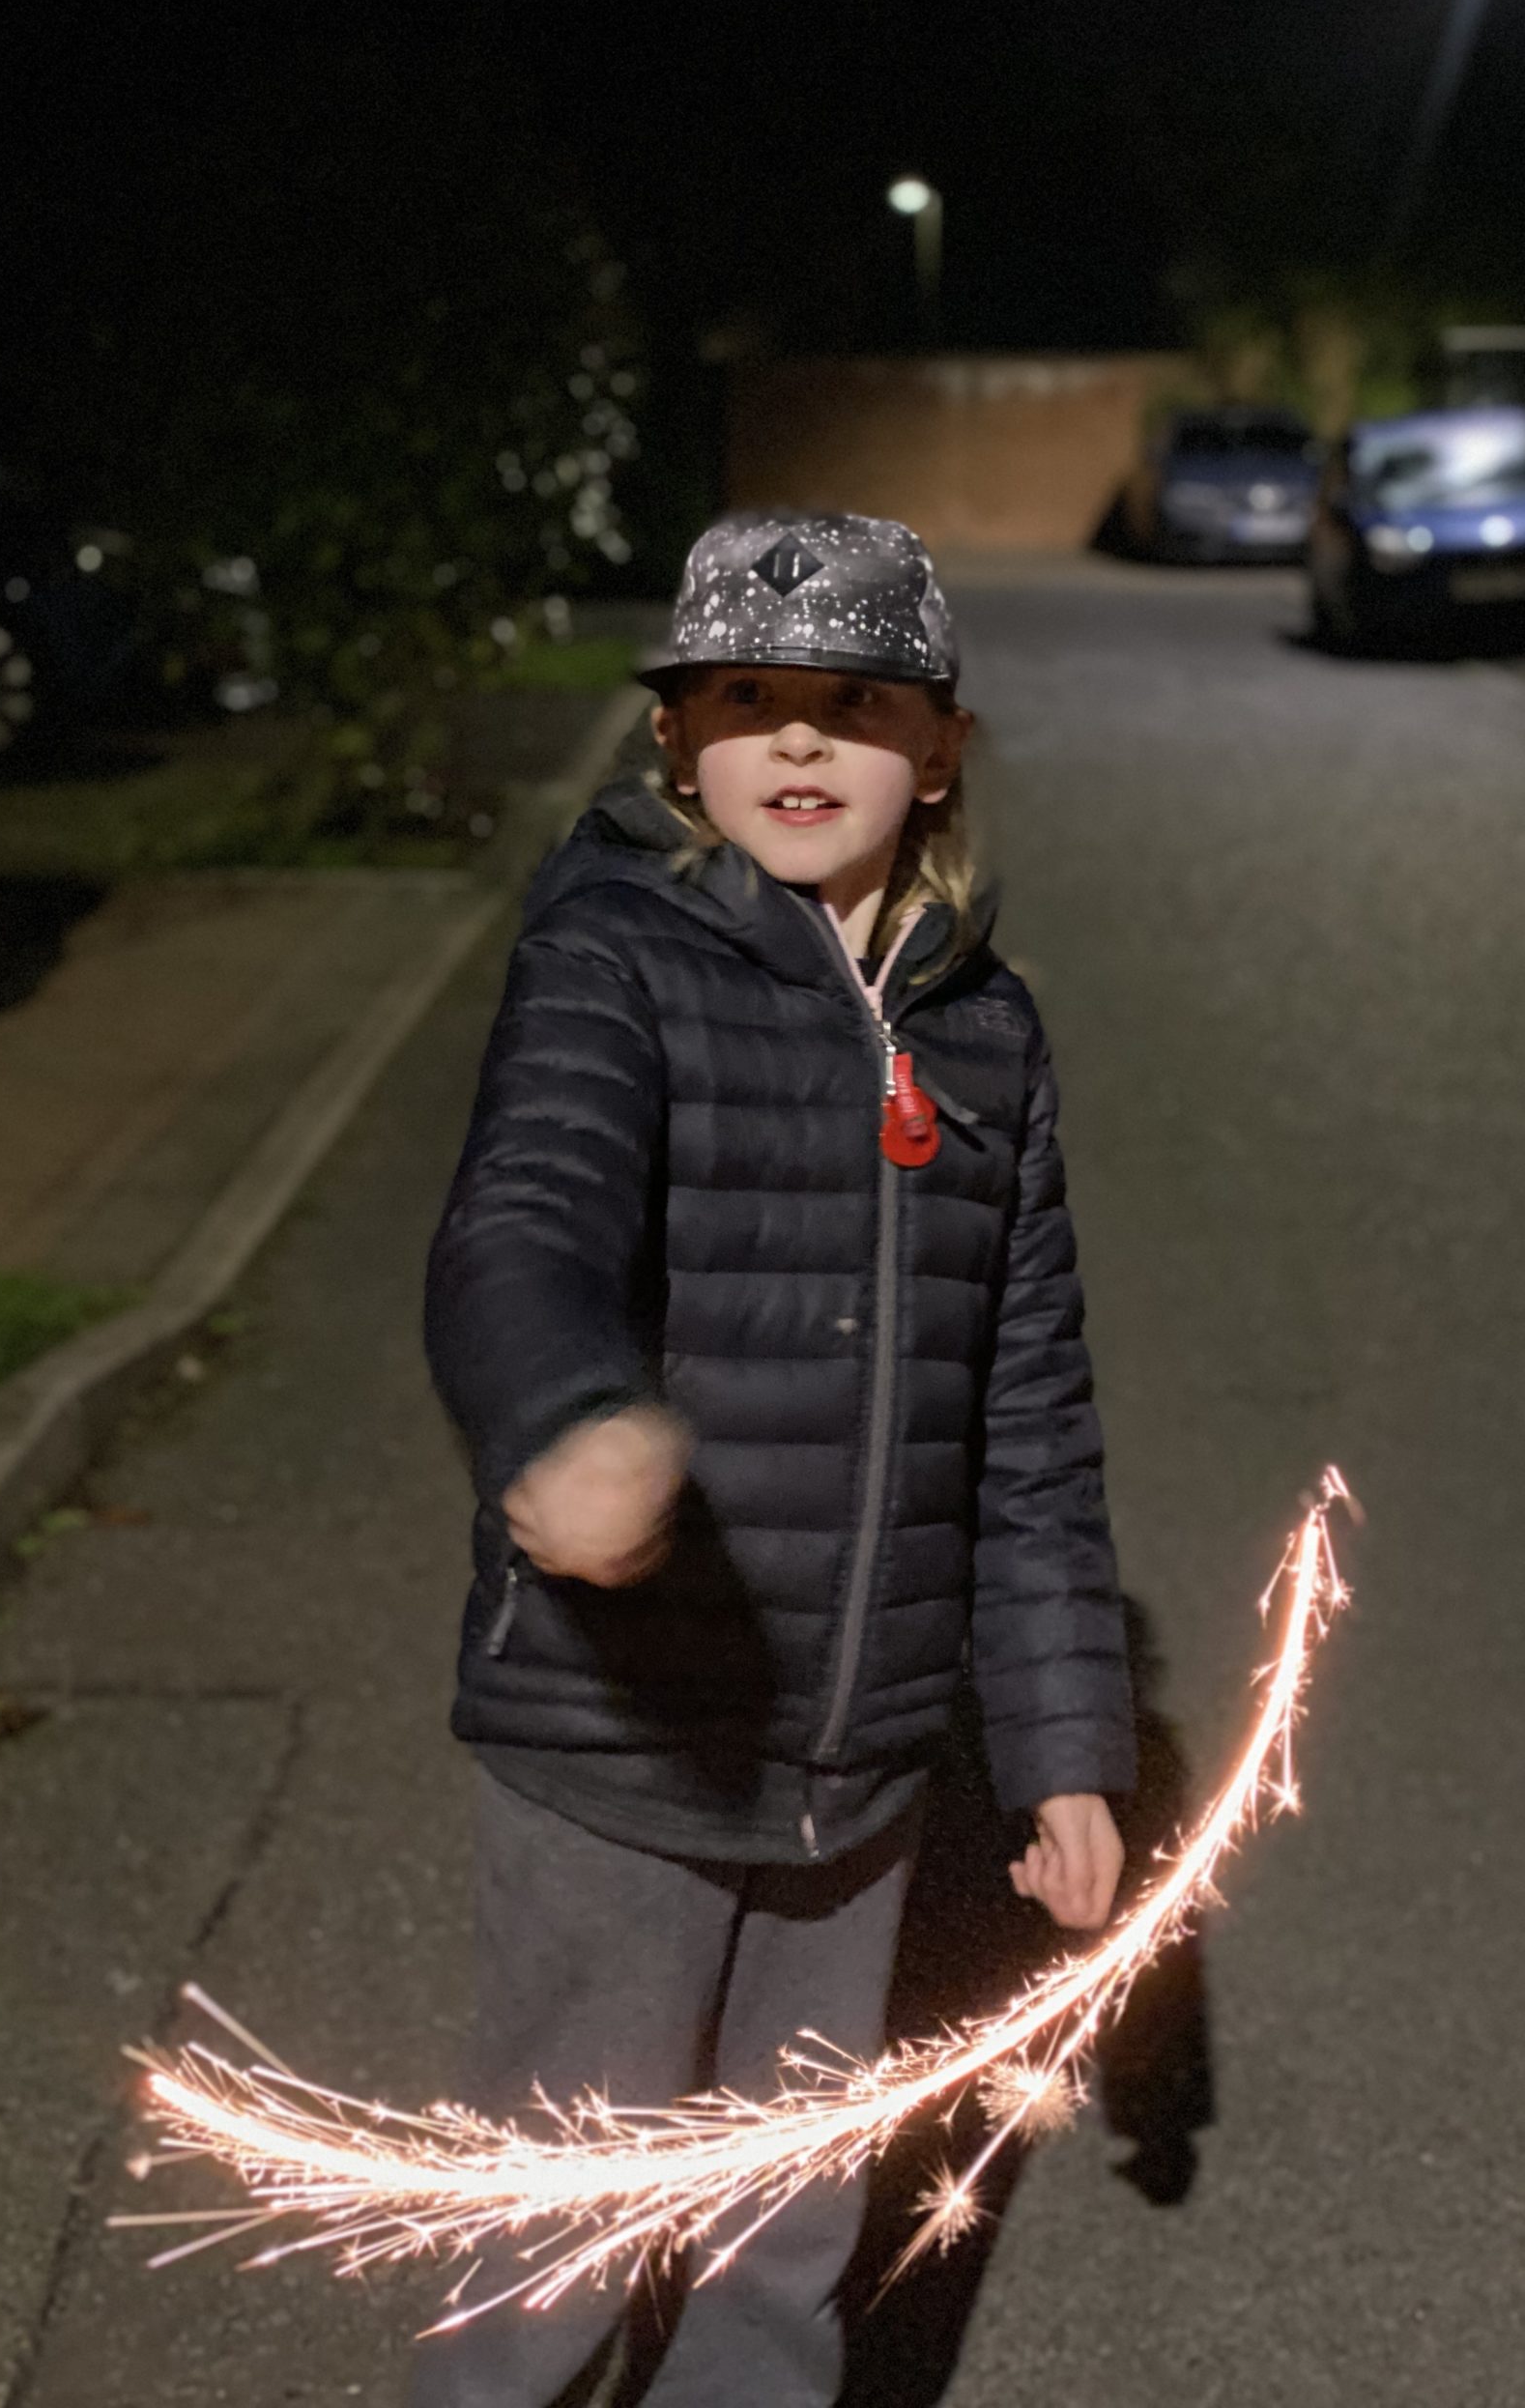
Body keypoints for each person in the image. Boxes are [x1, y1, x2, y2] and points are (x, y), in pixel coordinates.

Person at [416, 510, 1136, 2408]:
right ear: (675, 742)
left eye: (855, 703)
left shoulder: (987, 1033)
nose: (801, 743)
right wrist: (563, 1412)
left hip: (865, 1774)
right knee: (556, 2246)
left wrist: (1063, 1740)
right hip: (623, 1744)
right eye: (749, 699)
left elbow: (1030, 1416)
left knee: (781, 2246)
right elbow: (523, 1225)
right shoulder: (617, 955)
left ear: (943, 745)